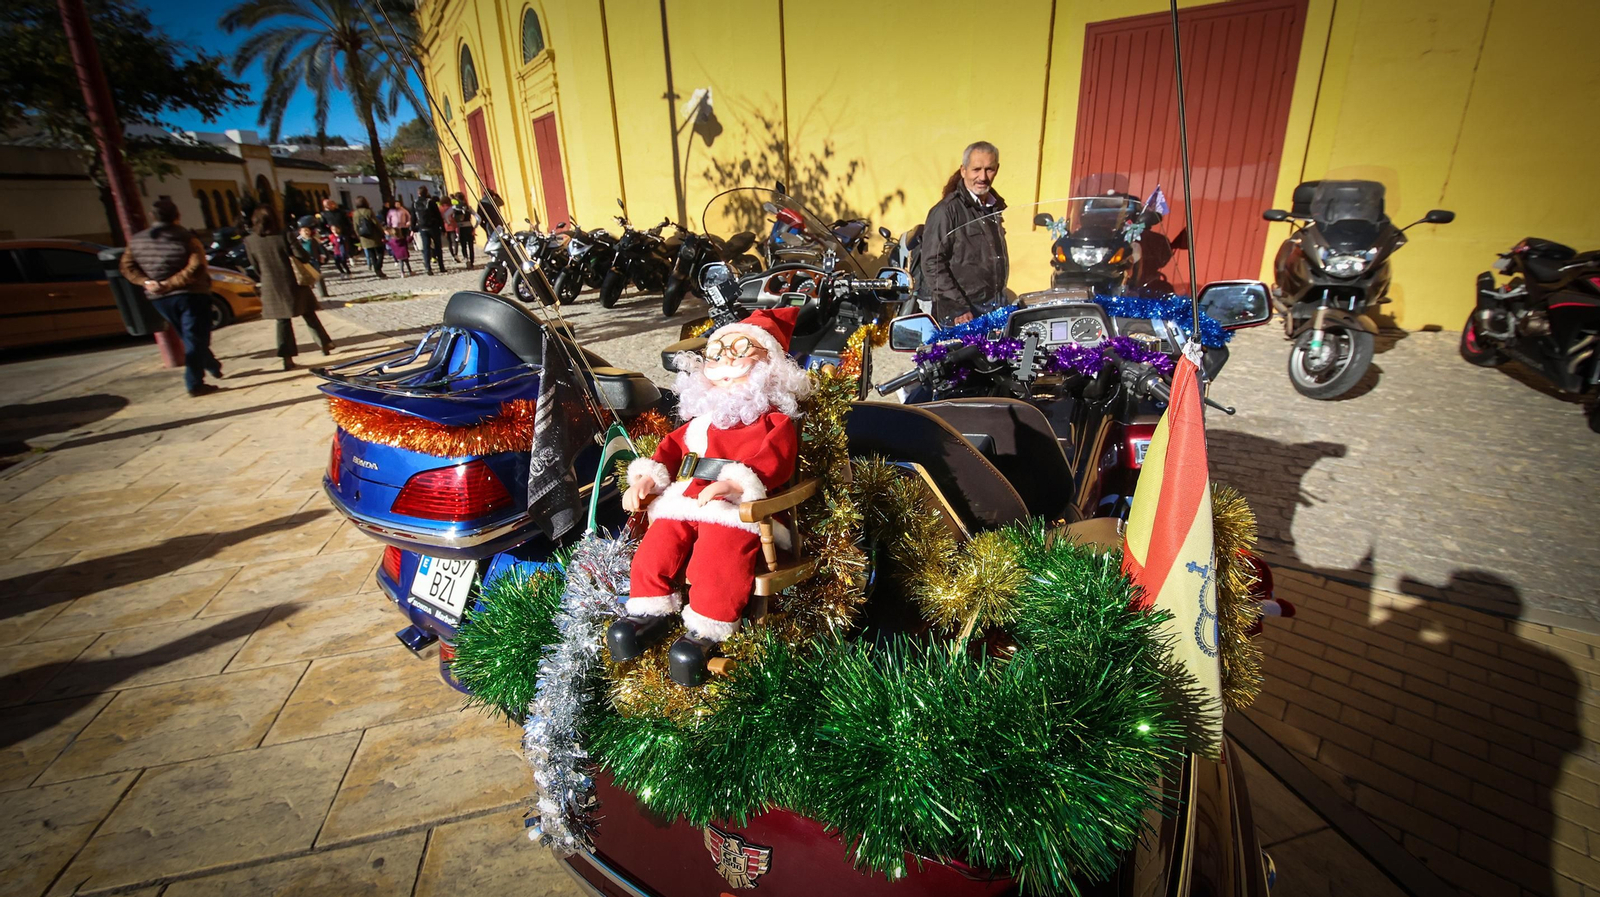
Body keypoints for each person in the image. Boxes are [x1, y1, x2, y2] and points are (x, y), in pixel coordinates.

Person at [608, 307, 811, 686]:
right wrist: (647, 480)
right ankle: (649, 609)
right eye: (716, 353)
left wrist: (735, 484)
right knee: (658, 542)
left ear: (770, 367)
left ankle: (707, 626)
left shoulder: (773, 421)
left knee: (720, 552)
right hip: (685, 499)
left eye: (740, 350)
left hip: (739, 508)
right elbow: (668, 452)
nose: (725, 362)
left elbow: (776, 460)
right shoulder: (699, 423)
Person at [119, 198, 221, 396]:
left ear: (152, 216)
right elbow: (197, 267)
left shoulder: (136, 241)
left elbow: (126, 266)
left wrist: (147, 282)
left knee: (190, 337)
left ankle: (211, 364)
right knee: (194, 337)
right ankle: (195, 383)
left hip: (160, 297)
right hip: (190, 294)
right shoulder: (186, 237)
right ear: (177, 216)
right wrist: (170, 283)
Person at [919, 140, 1008, 325]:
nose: (983, 177)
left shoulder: (993, 207)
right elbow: (932, 263)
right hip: (960, 314)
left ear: (997, 169)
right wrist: (958, 307)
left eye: (989, 169)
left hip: (993, 308)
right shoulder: (947, 210)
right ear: (963, 170)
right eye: (976, 169)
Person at [243, 204, 335, 371]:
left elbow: (255, 266)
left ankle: (287, 357)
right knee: (308, 313)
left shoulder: (250, 241)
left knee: (283, 321)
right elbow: (302, 256)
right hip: (293, 281)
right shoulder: (284, 235)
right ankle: (324, 344)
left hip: (271, 284)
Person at [414, 186, 446, 275]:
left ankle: (428, 268)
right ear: (427, 192)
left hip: (422, 228)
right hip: (433, 227)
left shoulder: (415, 203)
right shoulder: (431, 202)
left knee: (426, 248)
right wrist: (442, 228)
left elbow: (413, 216)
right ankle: (441, 267)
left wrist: (413, 228)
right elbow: (438, 215)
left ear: (418, 193)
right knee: (438, 247)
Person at [319, 198, 354, 278]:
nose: (329, 206)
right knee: (337, 251)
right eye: (327, 205)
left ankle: (349, 257)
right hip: (333, 234)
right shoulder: (324, 214)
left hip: (344, 232)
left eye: (330, 204)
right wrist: (329, 233)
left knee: (346, 247)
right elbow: (322, 225)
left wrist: (349, 230)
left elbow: (347, 222)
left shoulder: (340, 212)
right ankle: (342, 268)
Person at [352, 196, 385, 277]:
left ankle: (377, 270)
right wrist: (381, 232)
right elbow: (376, 223)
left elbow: (355, 226)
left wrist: (359, 236)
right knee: (380, 252)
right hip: (374, 235)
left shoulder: (355, 213)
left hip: (364, 236)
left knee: (372, 254)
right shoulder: (368, 211)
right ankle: (378, 267)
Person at [449, 193, 476, 268]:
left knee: (463, 245)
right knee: (471, 246)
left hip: (460, 228)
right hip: (469, 227)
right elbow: (478, 218)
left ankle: (466, 259)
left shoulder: (454, 208)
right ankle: (472, 261)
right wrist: (474, 227)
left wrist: (452, 223)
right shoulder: (468, 207)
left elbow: (446, 215)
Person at [441, 194, 460, 261]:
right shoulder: (452, 207)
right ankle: (455, 254)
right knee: (454, 241)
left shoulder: (440, 208)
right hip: (453, 225)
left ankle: (452, 255)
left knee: (449, 242)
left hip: (445, 226)